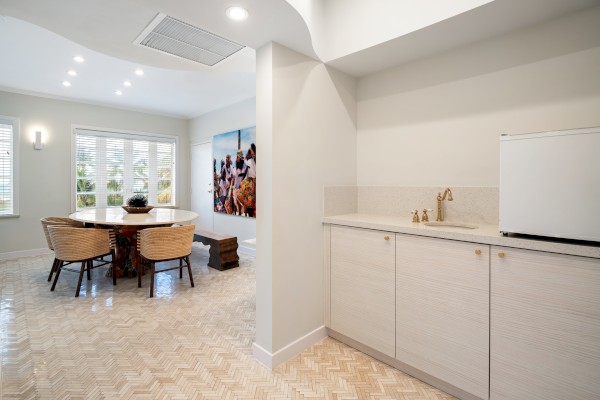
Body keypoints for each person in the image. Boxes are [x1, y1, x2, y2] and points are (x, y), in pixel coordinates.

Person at [233, 149, 246, 215]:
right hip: (236, 186)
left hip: (241, 187)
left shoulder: (244, 164)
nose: (236, 158)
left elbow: (243, 174)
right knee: (236, 202)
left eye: (237, 157)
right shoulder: (237, 165)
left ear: (240, 157)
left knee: (240, 203)